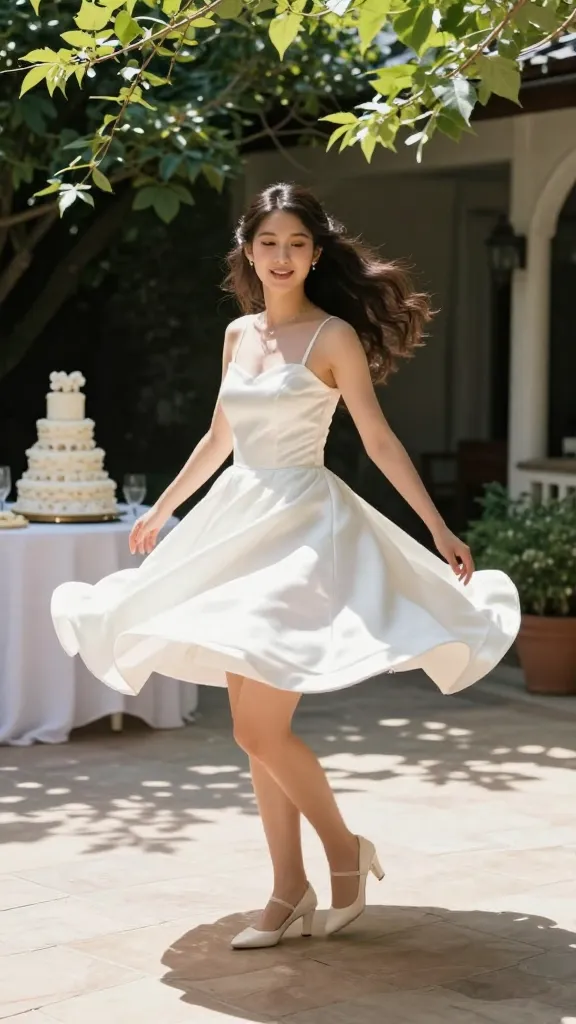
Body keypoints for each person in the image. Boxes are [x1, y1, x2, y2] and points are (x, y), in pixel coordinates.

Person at [51, 182, 520, 950]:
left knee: (260, 727)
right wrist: (164, 509)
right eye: (268, 243)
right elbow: (218, 439)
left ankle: (342, 853)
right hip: (234, 528)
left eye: (296, 244)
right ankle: (287, 889)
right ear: (248, 249)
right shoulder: (237, 335)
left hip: (303, 535)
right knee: (250, 731)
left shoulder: (332, 337)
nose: (281, 257)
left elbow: (376, 438)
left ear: (316, 252)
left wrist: (436, 525)